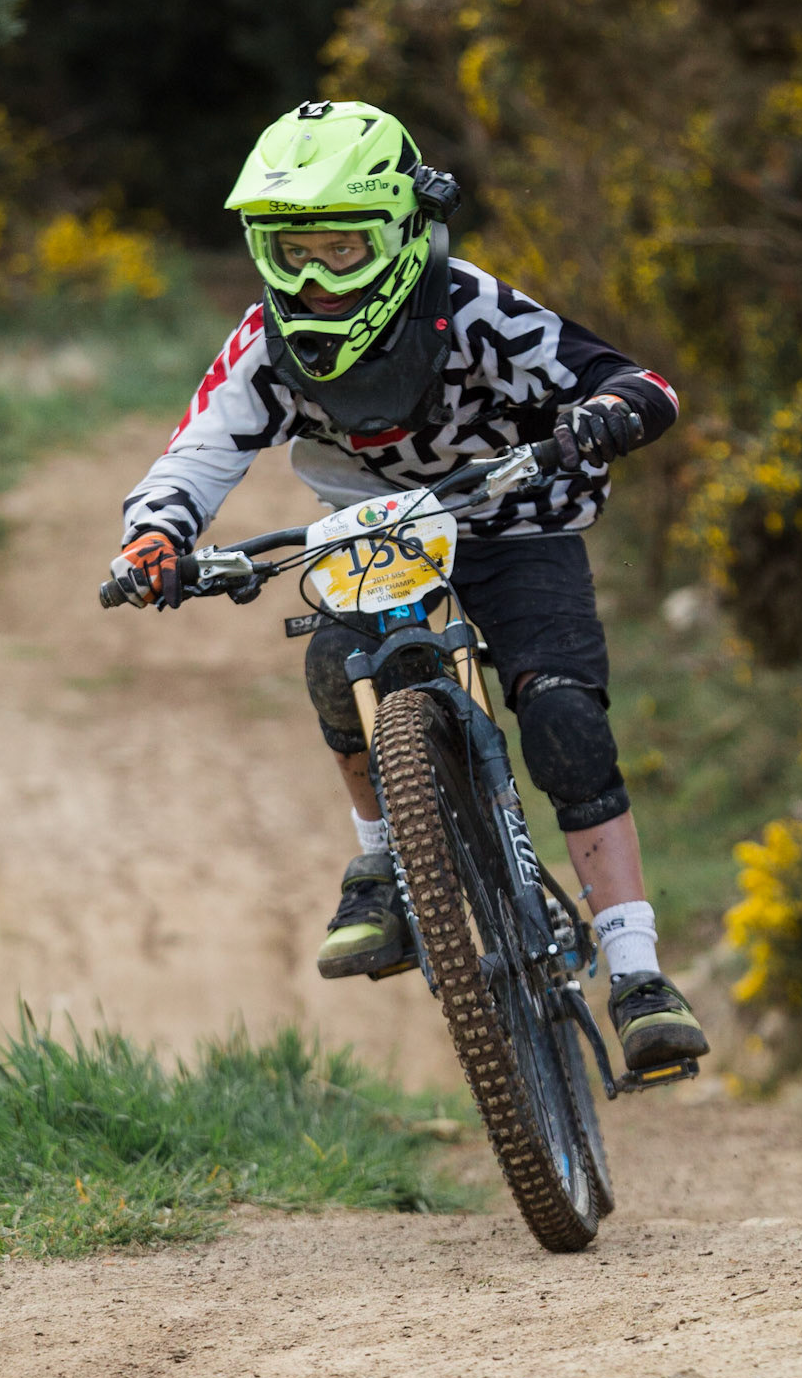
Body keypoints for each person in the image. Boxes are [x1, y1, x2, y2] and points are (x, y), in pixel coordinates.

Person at [110, 99, 707, 1074]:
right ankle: (384, 867)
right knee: (334, 668)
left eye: (340, 249)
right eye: (290, 251)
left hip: (517, 516)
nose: (313, 278)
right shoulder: (266, 340)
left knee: (563, 717)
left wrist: (607, 413)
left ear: (397, 232)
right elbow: (199, 452)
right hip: (373, 529)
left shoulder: (472, 308)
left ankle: (638, 973)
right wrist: (154, 536)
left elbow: (637, 382)